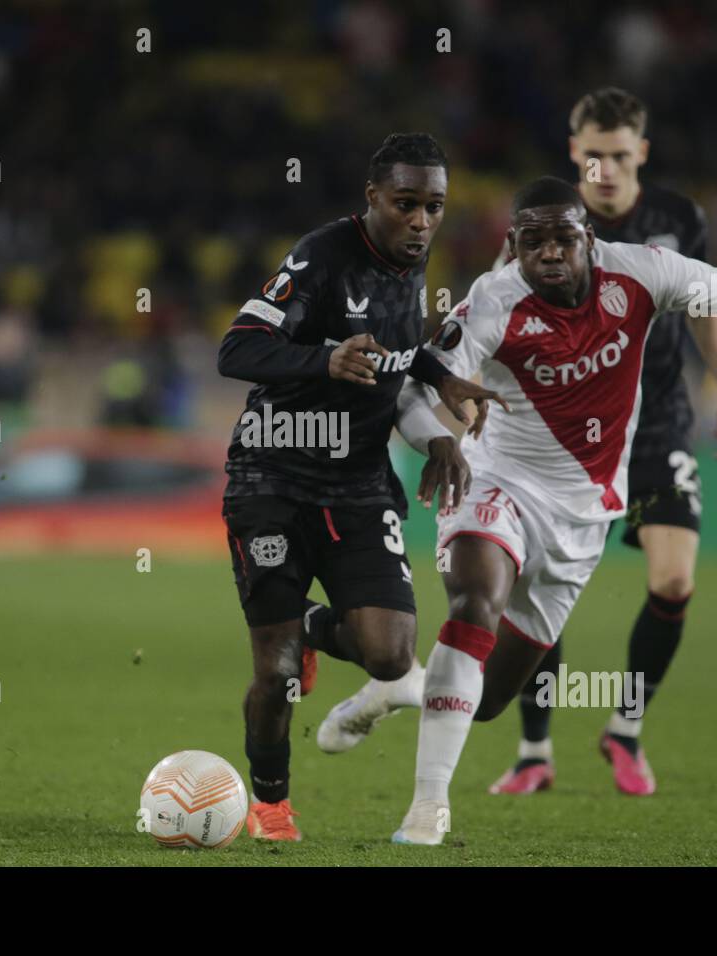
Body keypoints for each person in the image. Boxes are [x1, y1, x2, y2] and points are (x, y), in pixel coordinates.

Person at [350, 175, 717, 844]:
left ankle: (407, 685)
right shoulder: (492, 302)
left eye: (563, 239)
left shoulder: (642, 272)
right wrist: (436, 441)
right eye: (533, 241)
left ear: (589, 240)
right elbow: (413, 383)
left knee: (485, 703)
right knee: (474, 601)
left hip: (585, 513)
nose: (549, 253)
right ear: (512, 246)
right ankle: (429, 806)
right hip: (499, 482)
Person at [218, 133, 503, 841]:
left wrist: (440, 393)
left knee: (390, 653)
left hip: (358, 484)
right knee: (277, 671)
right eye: (405, 204)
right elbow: (236, 349)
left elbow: (399, 355)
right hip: (272, 478)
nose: (420, 221)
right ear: (372, 199)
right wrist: (321, 358)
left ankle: (316, 627)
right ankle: (272, 804)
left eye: (433, 207)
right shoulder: (320, 257)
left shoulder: (414, 260)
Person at [486, 87, 717, 796]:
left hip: (658, 417)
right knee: (541, 587)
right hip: (562, 431)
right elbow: (495, 316)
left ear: (643, 153)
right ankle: (535, 750)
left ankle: (625, 729)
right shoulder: (545, 223)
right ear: (575, 152)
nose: (604, 169)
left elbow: (707, 303)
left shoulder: (675, 218)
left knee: (673, 579)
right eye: (592, 155)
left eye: (619, 156)